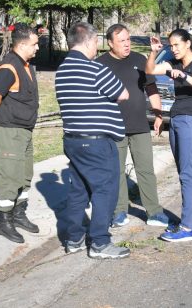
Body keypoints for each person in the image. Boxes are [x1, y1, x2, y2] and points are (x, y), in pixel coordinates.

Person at [55, 21, 131, 259]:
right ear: (88, 41)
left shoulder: (62, 71)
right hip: (97, 142)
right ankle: (99, 242)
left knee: (78, 191)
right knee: (105, 190)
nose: (96, 48)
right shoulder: (95, 69)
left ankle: (74, 238)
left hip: (73, 140)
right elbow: (123, 94)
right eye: (96, 42)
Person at [96, 24, 170, 228]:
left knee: (145, 169)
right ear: (110, 43)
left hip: (139, 126)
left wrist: (158, 114)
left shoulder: (139, 60)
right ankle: (119, 211)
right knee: (116, 171)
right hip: (113, 127)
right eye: (122, 41)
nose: (127, 44)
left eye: (128, 40)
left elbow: (152, 88)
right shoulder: (100, 64)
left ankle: (154, 211)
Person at [145, 28, 192, 242]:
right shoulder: (173, 63)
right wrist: (154, 52)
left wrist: (186, 76)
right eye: (170, 45)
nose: (173, 49)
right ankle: (191, 222)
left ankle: (188, 227)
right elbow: (150, 70)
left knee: (187, 174)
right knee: (182, 172)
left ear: (187, 43)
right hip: (175, 120)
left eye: (176, 45)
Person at [0, 22, 41, 243]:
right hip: (10, 131)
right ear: (22, 44)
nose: (37, 48)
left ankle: (18, 215)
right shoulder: (9, 67)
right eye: (35, 44)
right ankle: (2, 222)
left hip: (24, 131)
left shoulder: (26, 64)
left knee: (24, 176)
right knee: (10, 177)